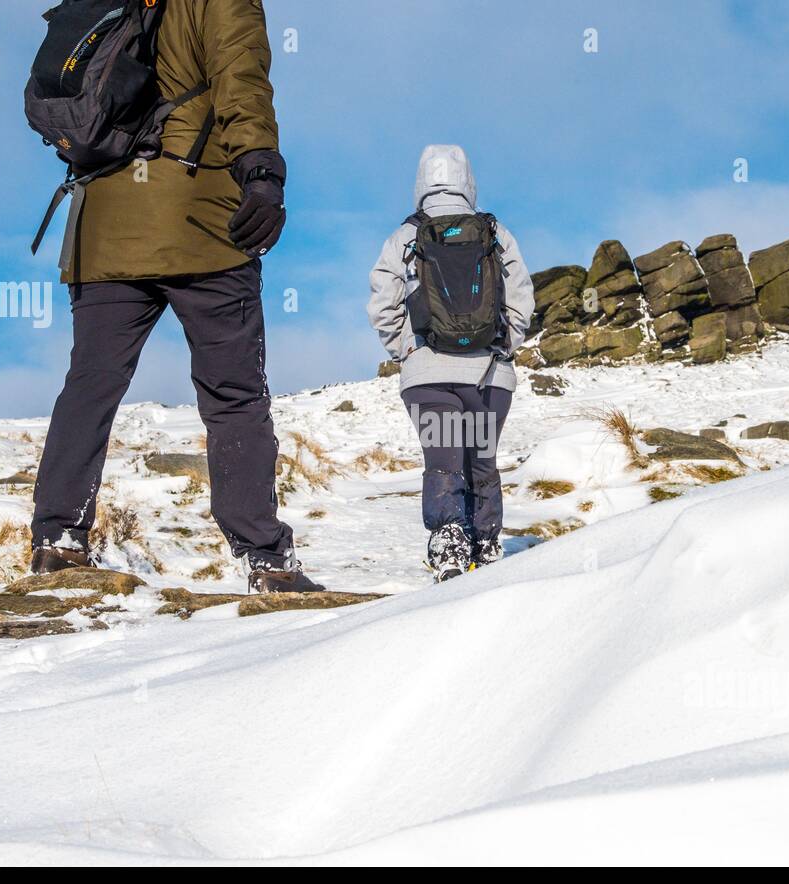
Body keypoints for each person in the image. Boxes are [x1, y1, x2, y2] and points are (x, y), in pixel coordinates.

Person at [29, 0, 323, 593]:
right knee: (234, 394)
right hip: (201, 224)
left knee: (90, 384)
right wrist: (262, 171)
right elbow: (240, 77)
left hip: (103, 227)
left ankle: (57, 540)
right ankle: (264, 556)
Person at [367, 145, 535, 582]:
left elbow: (383, 305)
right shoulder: (496, 232)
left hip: (428, 375)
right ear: (468, 181)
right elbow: (521, 298)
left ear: (420, 182)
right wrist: (503, 345)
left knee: (444, 460)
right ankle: (487, 548)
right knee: (481, 459)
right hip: (489, 375)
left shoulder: (404, 236)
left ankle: (449, 546)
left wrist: (406, 350)